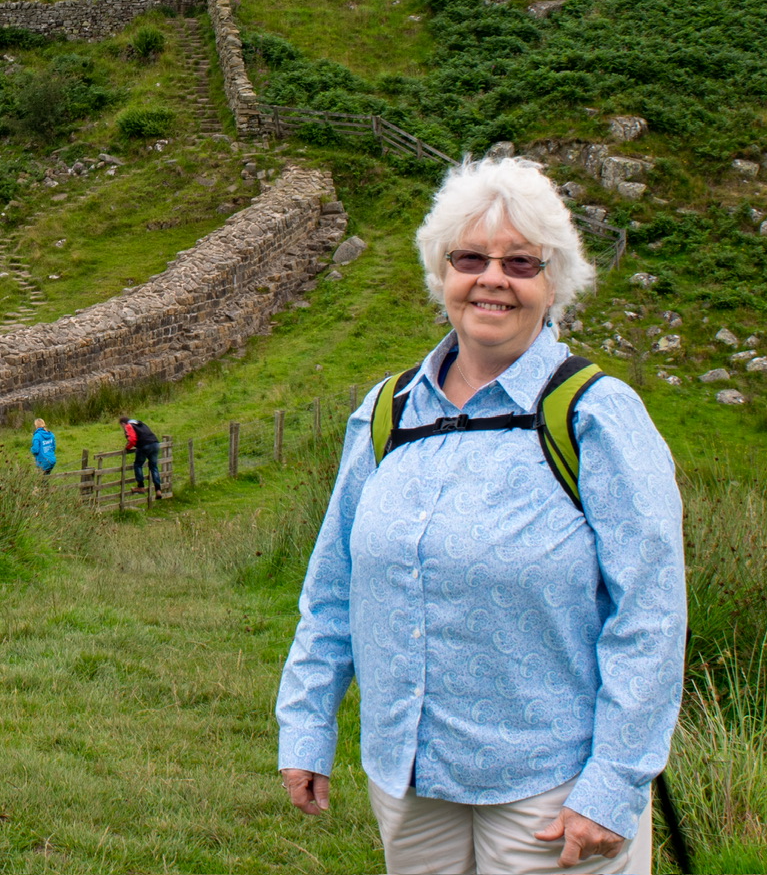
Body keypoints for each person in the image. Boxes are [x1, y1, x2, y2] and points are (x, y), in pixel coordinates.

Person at [276, 155, 683, 874]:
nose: (492, 277)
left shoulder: (597, 415)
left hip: (550, 789)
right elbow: (334, 585)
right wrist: (307, 725)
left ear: (555, 283)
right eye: (470, 258)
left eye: (521, 262)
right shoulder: (387, 411)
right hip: (407, 779)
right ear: (443, 275)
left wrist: (614, 783)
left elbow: (649, 613)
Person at [121, 416, 162, 491]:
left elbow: (133, 440)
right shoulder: (141, 424)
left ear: (123, 424)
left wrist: (127, 448)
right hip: (155, 443)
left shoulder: (128, 426)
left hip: (144, 445)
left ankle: (141, 486)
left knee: (138, 465)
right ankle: (158, 489)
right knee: (153, 466)